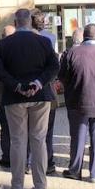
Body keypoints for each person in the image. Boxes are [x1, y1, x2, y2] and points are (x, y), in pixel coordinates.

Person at [0, 9, 60, 189]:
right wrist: (38, 83)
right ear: (30, 22)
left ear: (15, 23)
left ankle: (17, 185)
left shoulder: (4, 44)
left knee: (17, 140)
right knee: (39, 139)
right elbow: (54, 66)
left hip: (15, 97)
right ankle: (40, 185)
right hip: (40, 95)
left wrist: (17, 85)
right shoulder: (44, 41)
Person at [59, 24, 95, 183]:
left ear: (84, 36)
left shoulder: (72, 52)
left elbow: (62, 76)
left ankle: (75, 170)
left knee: (77, 138)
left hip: (77, 101)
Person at [31, 9, 59, 174]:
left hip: (29, 86)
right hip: (46, 86)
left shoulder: (25, 38)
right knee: (47, 130)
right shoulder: (50, 38)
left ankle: (29, 161)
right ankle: (48, 162)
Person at [0, 25, 16, 168]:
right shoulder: (18, 49)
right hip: (15, 94)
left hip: (3, 94)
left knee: (5, 127)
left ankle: (7, 157)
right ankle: (17, 156)